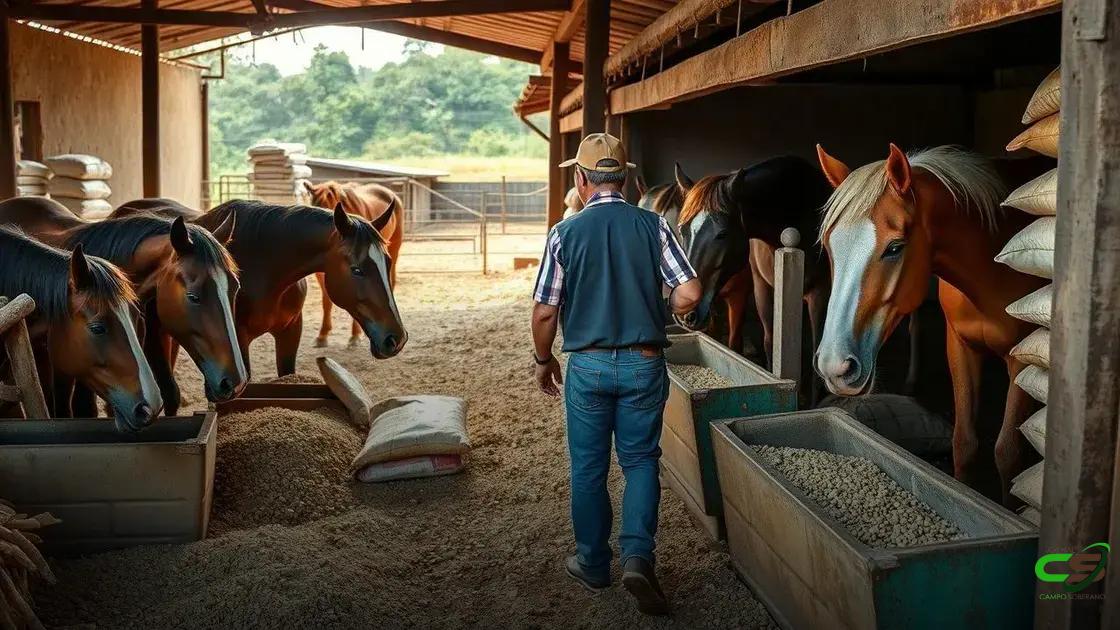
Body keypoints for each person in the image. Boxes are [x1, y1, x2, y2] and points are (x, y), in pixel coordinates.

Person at [530, 133, 702, 615]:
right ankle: (637, 558)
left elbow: (545, 312)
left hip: (586, 365)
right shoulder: (654, 227)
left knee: (588, 468)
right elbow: (689, 293)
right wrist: (662, 303)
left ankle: (592, 563)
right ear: (623, 179)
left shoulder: (564, 233)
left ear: (581, 180)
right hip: (644, 362)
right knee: (641, 461)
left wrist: (545, 361)